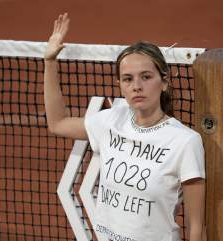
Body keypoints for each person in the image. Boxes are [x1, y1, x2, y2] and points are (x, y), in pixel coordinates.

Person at [44, 13, 207, 241]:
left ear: (164, 82)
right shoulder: (111, 120)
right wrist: (50, 61)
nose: (137, 86)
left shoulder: (185, 141)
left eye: (146, 77)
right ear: (119, 85)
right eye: (128, 79)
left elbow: (196, 227)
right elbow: (58, 123)